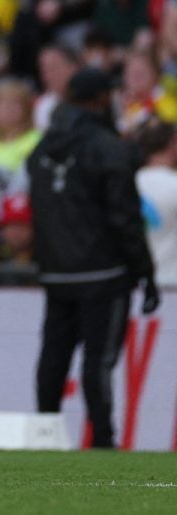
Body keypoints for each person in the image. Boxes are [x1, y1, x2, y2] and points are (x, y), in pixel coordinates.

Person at [27, 68, 160, 448]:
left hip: (56, 271)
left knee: (54, 355)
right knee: (98, 362)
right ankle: (102, 440)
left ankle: (44, 435)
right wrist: (144, 273)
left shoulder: (42, 147)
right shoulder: (108, 147)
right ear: (102, 99)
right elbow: (125, 218)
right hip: (104, 272)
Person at [135, 120, 177, 288]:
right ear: (173, 142)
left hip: (137, 282)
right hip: (171, 279)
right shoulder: (174, 184)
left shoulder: (127, 182)